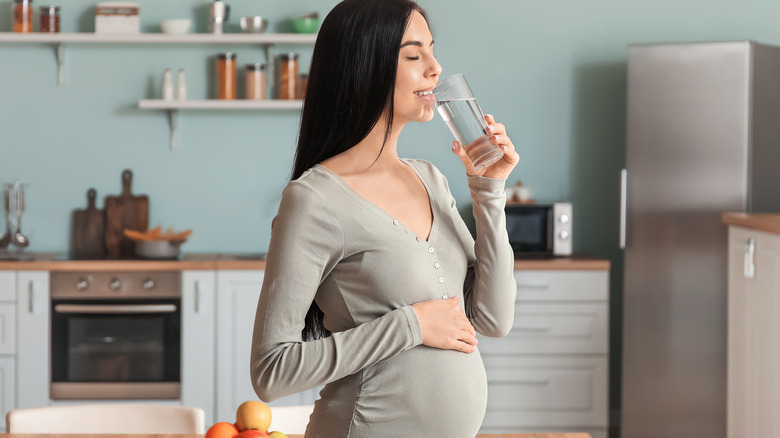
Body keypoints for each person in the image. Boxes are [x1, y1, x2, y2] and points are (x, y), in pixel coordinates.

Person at [250, 0, 519, 436]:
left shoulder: (430, 178)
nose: (435, 68)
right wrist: (411, 325)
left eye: (432, 50)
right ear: (364, 68)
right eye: (414, 55)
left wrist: (489, 191)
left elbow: (493, 318)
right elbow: (271, 371)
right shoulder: (314, 199)